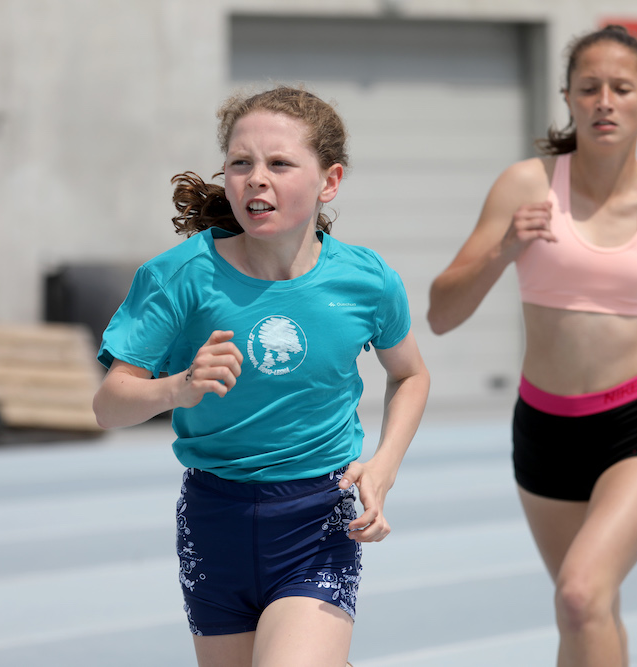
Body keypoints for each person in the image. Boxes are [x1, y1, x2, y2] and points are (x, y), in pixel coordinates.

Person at [427, 25, 637, 667]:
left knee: (580, 596)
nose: (605, 101)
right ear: (569, 98)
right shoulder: (525, 188)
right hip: (545, 431)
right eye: (589, 87)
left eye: (622, 88)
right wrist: (504, 250)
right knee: (591, 611)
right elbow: (441, 314)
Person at [93, 86, 430, 667]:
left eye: (279, 164)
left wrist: (384, 465)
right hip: (213, 519)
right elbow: (108, 406)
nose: (257, 179)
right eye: (241, 163)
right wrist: (179, 387)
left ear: (329, 181)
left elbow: (411, 376)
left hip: (316, 518)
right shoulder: (178, 278)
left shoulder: (367, 280)